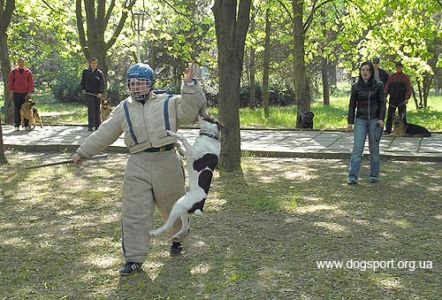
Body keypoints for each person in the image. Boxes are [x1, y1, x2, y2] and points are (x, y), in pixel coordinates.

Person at [72, 62, 206, 276]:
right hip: (138, 163)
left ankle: (178, 239)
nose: (136, 88)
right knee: (134, 212)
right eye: (132, 83)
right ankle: (134, 259)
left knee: (172, 208)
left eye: (141, 83)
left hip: (167, 161)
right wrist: (83, 152)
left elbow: (190, 112)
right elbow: (105, 132)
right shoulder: (123, 108)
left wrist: (189, 85)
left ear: (150, 84)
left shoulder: (168, 102)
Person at [347, 61, 386, 185]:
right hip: (360, 121)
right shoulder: (356, 87)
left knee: (374, 150)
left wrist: (381, 119)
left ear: (371, 72)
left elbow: (382, 104)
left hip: (375, 121)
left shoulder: (378, 85)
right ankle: (353, 177)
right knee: (357, 150)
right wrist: (350, 122)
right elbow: (352, 105)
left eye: (367, 70)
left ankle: (374, 175)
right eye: (362, 70)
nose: (365, 72)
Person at [384, 62, 412, 134]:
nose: (398, 68)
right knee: (390, 115)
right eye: (397, 67)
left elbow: (408, 88)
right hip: (393, 98)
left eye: (399, 67)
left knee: (402, 116)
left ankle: (404, 130)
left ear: (402, 68)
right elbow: (387, 87)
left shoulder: (405, 77)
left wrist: (406, 98)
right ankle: (388, 130)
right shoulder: (392, 77)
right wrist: (385, 96)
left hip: (401, 99)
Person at [8, 58, 35, 130]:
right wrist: (11, 91)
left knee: (27, 109)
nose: (21, 63)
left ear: (24, 63)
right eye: (19, 62)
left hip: (26, 94)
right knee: (17, 109)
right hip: (16, 93)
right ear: (17, 63)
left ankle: (26, 125)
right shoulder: (13, 72)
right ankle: (17, 125)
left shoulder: (28, 72)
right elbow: (10, 82)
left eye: (22, 62)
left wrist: (29, 92)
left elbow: (31, 83)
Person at [80, 58, 105, 131]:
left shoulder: (99, 73)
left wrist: (100, 92)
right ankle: (90, 125)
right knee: (91, 108)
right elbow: (83, 82)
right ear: (90, 64)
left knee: (97, 109)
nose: (93, 65)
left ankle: (97, 125)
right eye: (92, 63)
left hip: (97, 94)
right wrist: (83, 89)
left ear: (97, 64)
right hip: (89, 93)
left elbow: (102, 84)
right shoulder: (86, 72)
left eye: (95, 63)